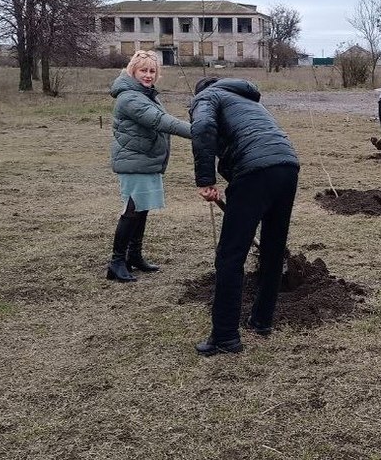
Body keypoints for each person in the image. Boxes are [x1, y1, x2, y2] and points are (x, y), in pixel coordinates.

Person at [190, 77, 300, 356]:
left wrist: (206, 179)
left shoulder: (207, 97)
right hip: (287, 165)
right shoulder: (247, 99)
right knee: (272, 248)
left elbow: (203, 127)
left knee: (230, 256)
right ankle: (262, 320)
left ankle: (225, 336)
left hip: (255, 172)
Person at [107, 50, 192, 283]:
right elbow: (159, 121)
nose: (148, 75)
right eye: (143, 70)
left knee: (142, 209)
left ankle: (134, 256)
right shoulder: (129, 97)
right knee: (132, 211)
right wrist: (198, 132)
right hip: (134, 160)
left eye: (152, 71)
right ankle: (116, 262)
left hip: (144, 159)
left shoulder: (145, 94)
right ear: (132, 70)